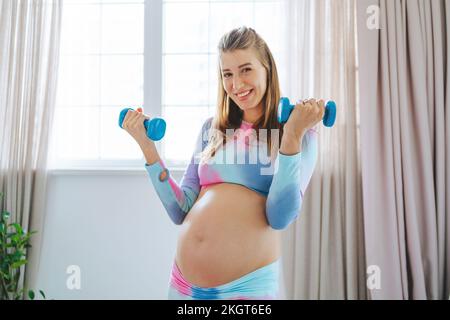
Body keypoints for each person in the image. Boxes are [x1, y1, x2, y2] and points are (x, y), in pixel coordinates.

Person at [122, 26, 325, 300]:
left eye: (246, 70)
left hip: (246, 289)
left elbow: (280, 217)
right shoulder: (211, 130)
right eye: (227, 74)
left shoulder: (300, 135)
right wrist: (147, 147)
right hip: (183, 287)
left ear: (267, 69)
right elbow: (180, 210)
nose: (237, 84)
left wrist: (291, 138)